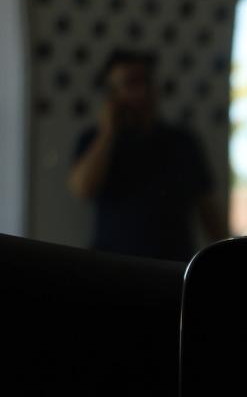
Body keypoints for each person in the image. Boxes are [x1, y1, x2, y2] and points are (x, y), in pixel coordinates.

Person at [68, 49, 228, 262]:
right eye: (130, 84)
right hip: (111, 266)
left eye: (146, 81)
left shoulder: (182, 142)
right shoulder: (94, 140)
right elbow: (83, 188)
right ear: (112, 95)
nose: (142, 91)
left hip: (172, 266)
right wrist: (108, 133)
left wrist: (228, 258)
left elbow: (207, 209)